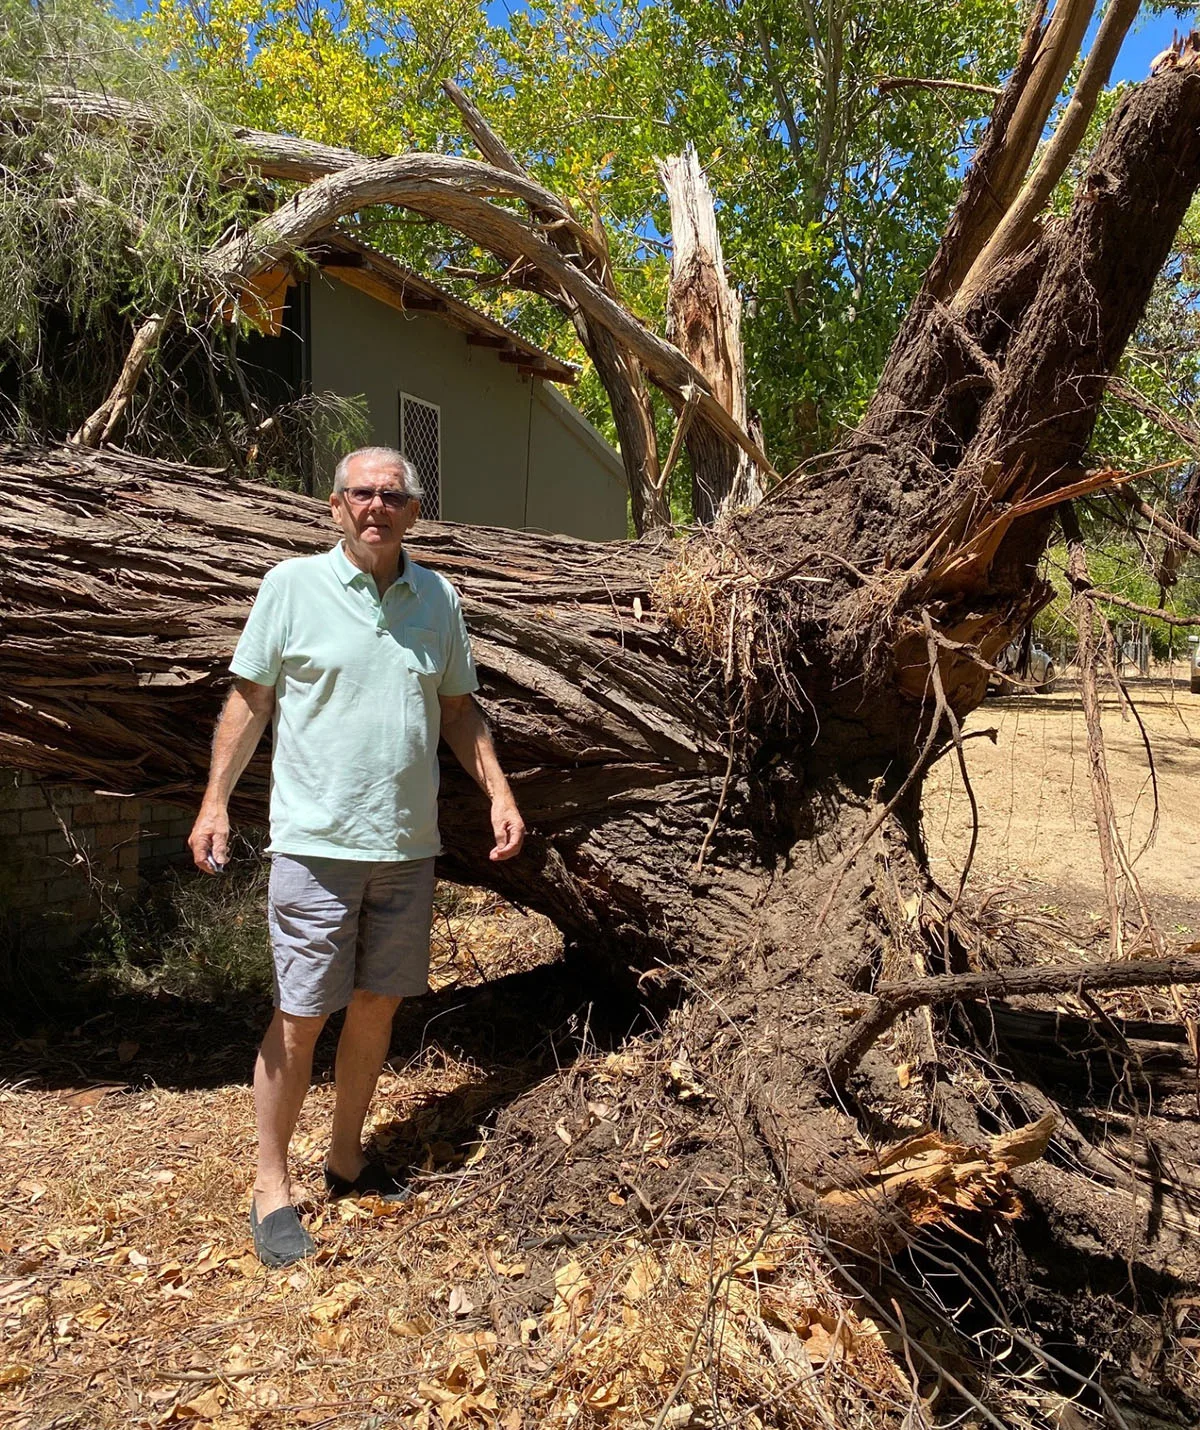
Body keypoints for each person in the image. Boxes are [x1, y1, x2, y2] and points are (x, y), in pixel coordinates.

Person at [188, 446, 525, 1268]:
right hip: (315, 846)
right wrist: (215, 801)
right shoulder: (290, 587)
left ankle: (346, 1159)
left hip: (406, 849)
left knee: (376, 1008)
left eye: (392, 496)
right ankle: (271, 1189)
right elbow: (250, 701)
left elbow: (457, 711)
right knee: (302, 1018)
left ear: (415, 510)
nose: (376, 506)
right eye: (360, 494)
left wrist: (500, 791)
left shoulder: (437, 596)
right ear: (335, 507)